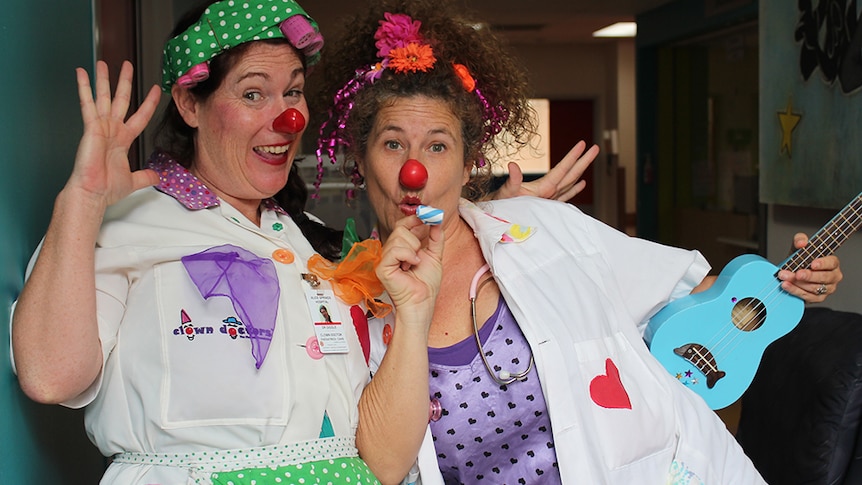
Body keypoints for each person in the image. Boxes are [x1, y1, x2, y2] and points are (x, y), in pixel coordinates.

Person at [9, 1, 593, 483]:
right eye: (254, 94)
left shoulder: (318, 247)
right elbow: (52, 375)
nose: (287, 118)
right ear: (190, 104)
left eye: (293, 92)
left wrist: (495, 222)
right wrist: (81, 204)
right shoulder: (125, 223)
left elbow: (409, 248)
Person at [313, 1, 845, 484]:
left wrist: (793, 284)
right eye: (392, 144)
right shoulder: (339, 306)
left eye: (437, 145)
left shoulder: (546, 230)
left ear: (468, 161)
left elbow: (709, 296)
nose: (415, 172)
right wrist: (410, 310)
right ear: (360, 161)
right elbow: (382, 466)